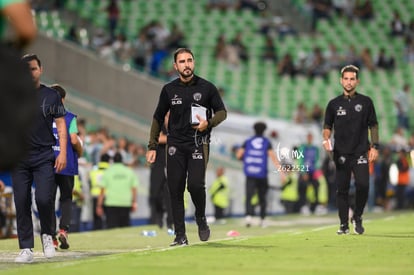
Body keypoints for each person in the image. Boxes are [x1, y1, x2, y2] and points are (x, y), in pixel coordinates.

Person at [146, 48, 227, 246]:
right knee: (175, 189)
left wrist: (208, 122)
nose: (186, 64)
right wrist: (152, 146)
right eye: (182, 61)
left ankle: (200, 218)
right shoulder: (168, 90)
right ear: (175, 66)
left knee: (195, 185)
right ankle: (180, 235)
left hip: (198, 143)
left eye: (189, 60)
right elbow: (157, 118)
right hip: (175, 145)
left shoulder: (207, 88)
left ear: (194, 63)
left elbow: (222, 112)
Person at [12, 54, 67, 263]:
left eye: (33, 68)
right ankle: (26, 248)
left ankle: (47, 235)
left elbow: (61, 124)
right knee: (21, 201)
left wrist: (62, 152)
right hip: (19, 157)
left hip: (44, 155)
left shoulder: (51, 95)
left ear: (40, 70)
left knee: (44, 199)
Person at [322, 64, 379, 235]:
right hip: (340, 153)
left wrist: (375, 146)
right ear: (341, 81)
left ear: (357, 81)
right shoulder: (333, 104)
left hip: (361, 151)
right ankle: (343, 224)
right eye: (346, 79)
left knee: (363, 185)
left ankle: (358, 216)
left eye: (352, 79)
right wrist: (326, 138)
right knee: (342, 189)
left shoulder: (366, 102)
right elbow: (327, 126)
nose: (348, 82)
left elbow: (373, 125)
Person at [50, 84, 83, 250]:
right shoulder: (70, 117)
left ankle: (51, 238)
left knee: (47, 200)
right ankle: (63, 230)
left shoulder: (44, 117)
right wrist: (80, 151)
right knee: (66, 199)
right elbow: (74, 139)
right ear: (63, 99)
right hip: (67, 163)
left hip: (48, 164)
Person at [236, 121, 283, 227]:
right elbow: (273, 158)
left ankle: (248, 217)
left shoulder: (247, 141)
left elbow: (239, 155)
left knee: (249, 196)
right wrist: (281, 173)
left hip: (250, 173)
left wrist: (247, 160)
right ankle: (262, 219)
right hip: (262, 174)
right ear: (264, 131)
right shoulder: (266, 142)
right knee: (262, 197)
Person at [96, 152, 138, 229]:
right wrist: (134, 202)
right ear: (122, 160)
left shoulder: (107, 172)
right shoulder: (129, 172)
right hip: (125, 203)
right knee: (125, 229)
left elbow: (102, 191)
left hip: (111, 203)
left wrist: (99, 205)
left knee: (112, 229)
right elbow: (134, 188)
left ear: (113, 161)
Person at [149, 112, 173, 231]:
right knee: (155, 193)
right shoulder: (158, 125)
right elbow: (157, 138)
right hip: (158, 164)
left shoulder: (176, 125)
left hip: (171, 164)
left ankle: (170, 221)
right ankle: (159, 213)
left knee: (170, 195)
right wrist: (172, 138)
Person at [89, 153, 110, 230]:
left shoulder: (94, 170)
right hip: (107, 195)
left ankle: (97, 230)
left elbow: (90, 181)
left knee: (97, 218)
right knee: (108, 217)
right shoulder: (110, 170)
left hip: (95, 195)